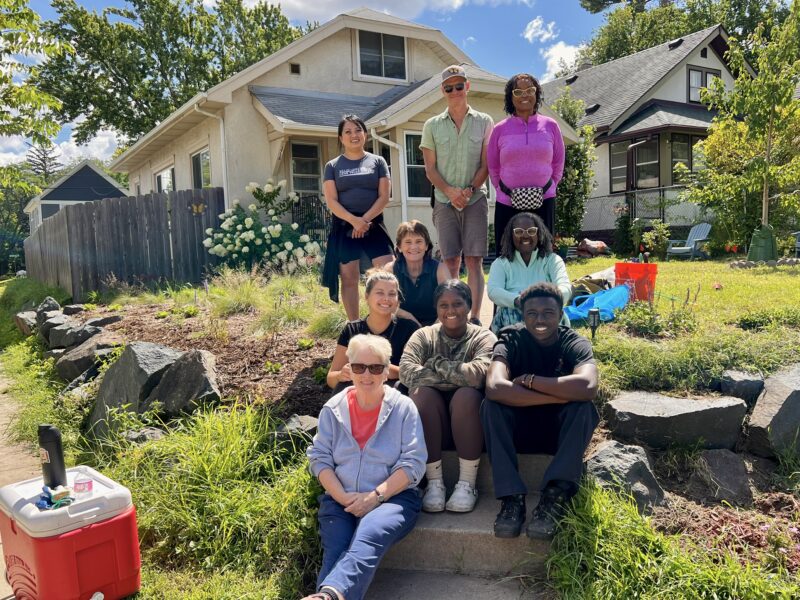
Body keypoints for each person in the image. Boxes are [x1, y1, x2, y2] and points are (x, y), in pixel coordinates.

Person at [304, 334, 427, 600]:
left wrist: (375, 497)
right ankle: (327, 596)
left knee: (369, 533)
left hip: (393, 499)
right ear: (349, 369)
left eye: (376, 368)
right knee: (336, 546)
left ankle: (327, 596)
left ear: (386, 372)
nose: (367, 374)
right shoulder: (332, 409)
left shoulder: (404, 408)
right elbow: (320, 458)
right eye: (359, 367)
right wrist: (342, 496)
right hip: (340, 499)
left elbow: (413, 463)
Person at [482, 282, 599, 540]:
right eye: (532, 313)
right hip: (519, 430)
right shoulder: (510, 337)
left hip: (558, 435)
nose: (540, 319)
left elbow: (588, 385)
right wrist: (556, 397)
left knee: (583, 408)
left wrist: (533, 381)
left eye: (548, 313)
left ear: (560, 315)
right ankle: (512, 498)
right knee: (491, 406)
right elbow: (494, 386)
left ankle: (554, 496)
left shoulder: (574, 342)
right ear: (523, 316)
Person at [399, 280, 497, 513]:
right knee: (421, 395)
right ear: (436, 308)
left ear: (470, 306)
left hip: (470, 424)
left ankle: (467, 483)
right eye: (443, 305)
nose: (450, 311)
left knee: (466, 395)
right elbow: (405, 371)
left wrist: (436, 364)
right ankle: (434, 483)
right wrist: (456, 373)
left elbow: (478, 375)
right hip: (433, 424)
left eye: (457, 304)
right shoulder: (424, 336)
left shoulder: (483, 338)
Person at [420, 65, 493, 325]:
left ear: (467, 87)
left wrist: (469, 190)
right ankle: (453, 316)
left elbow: (486, 164)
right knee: (451, 261)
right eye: (449, 87)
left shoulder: (484, 122)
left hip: (475, 199)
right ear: (443, 90)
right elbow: (430, 169)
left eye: (459, 86)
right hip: (443, 200)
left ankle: (473, 317)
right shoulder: (432, 125)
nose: (454, 91)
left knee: (474, 260)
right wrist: (450, 192)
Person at [322, 115, 395, 321]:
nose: (354, 135)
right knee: (349, 277)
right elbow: (331, 201)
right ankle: (354, 324)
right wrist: (354, 221)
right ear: (341, 138)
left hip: (373, 224)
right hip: (345, 226)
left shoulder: (378, 161)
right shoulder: (333, 166)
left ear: (364, 134)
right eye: (348, 131)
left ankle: (382, 320)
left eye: (358, 130)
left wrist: (364, 220)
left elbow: (384, 196)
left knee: (388, 272)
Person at [487, 73, 565, 252]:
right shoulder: (500, 129)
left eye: (530, 90)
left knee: (543, 254)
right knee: (507, 254)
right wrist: (501, 188)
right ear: (510, 96)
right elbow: (492, 165)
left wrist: (552, 184)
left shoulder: (550, 126)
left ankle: (541, 282)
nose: (525, 95)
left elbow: (558, 161)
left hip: (544, 199)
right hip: (507, 201)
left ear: (537, 93)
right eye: (518, 91)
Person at [327, 270, 419, 392]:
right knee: (341, 387)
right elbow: (331, 378)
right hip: (358, 392)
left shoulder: (409, 329)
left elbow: (416, 373)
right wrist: (341, 375)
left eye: (392, 294)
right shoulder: (352, 330)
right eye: (380, 293)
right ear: (366, 296)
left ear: (398, 299)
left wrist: (381, 368)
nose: (386, 298)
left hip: (392, 395)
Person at [487, 212, 571, 333]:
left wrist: (544, 301)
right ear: (511, 235)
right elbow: (493, 291)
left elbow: (565, 288)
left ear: (539, 234)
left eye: (531, 231)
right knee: (511, 312)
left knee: (551, 310)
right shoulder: (500, 263)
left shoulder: (552, 260)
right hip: (513, 315)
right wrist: (518, 301)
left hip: (545, 312)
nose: (525, 236)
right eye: (519, 232)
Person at [383, 220, 450, 326]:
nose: (414, 247)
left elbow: (450, 303)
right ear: (399, 247)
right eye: (408, 242)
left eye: (419, 241)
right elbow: (384, 303)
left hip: (437, 324)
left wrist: (433, 331)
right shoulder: (390, 270)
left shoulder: (440, 269)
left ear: (427, 246)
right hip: (402, 323)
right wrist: (409, 317)